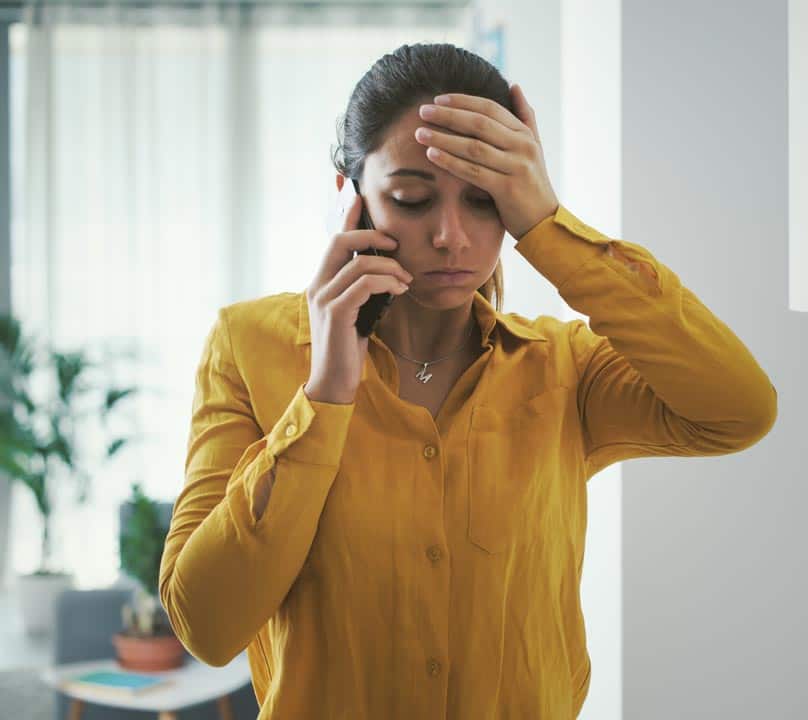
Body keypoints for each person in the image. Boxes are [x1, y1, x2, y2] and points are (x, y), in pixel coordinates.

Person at [158, 42, 776, 719]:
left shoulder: (563, 368)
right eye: (411, 199)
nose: (451, 236)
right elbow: (207, 626)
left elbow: (739, 410)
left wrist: (548, 226)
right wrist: (325, 395)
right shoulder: (248, 347)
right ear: (351, 198)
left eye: (485, 202)